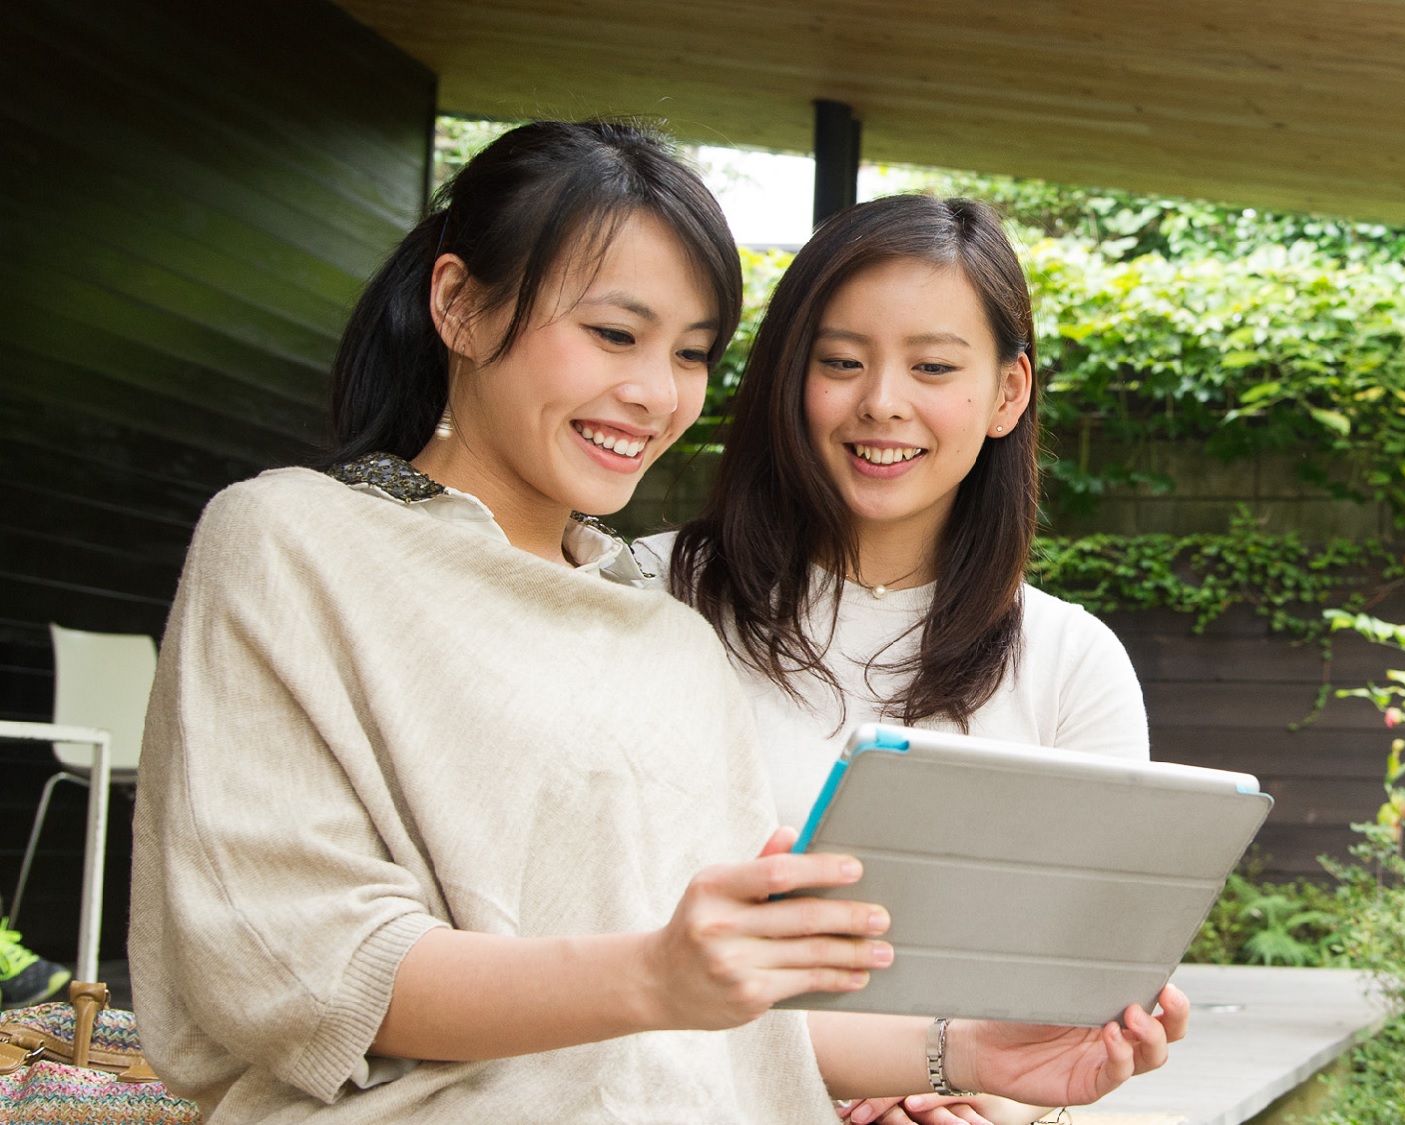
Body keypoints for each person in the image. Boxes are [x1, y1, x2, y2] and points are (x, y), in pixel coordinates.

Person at [129, 122, 1184, 1124]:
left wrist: (970, 1054)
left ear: (1008, 394)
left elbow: (723, 1014)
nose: (652, 394)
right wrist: (655, 976)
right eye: (612, 334)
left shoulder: (658, 628)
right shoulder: (290, 541)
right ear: (458, 304)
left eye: (688, 354)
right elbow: (290, 963)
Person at [640, 196, 1154, 1125]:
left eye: (932, 366)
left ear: (1007, 394)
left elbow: (1082, 983)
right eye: (841, 362)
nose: (881, 401)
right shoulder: (646, 596)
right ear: (788, 379)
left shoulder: (1074, 663)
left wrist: (999, 1103)